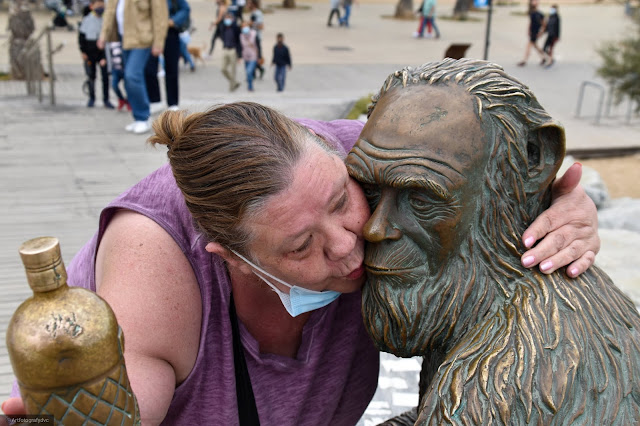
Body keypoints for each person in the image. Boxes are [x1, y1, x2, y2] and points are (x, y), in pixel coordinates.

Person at [2, 100, 599, 423]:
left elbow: (495, 164)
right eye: (299, 247)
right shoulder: (153, 269)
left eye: (343, 202)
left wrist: (566, 204)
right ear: (231, 257)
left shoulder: (357, 156)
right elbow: (127, 406)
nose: (346, 246)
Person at [97, 0, 169, 134]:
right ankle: (137, 117)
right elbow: (110, 12)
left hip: (142, 39)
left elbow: (160, 15)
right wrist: (103, 35)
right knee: (129, 78)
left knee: (132, 75)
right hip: (123, 38)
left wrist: (159, 42)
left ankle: (143, 117)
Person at [144, 0, 191, 112]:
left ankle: (173, 103)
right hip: (151, 33)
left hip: (170, 31)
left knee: (172, 68)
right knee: (149, 68)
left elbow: (185, 9)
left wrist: (173, 21)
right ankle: (155, 100)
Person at [78, 0, 113, 108]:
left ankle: (106, 99)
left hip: (102, 54)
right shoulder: (87, 20)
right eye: (97, 5)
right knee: (91, 76)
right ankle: (92, 98)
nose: (100, 7)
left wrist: (104, 57)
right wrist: (83, 51)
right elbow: (81, 37)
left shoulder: (106, 19)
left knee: (105, 77)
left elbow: (108, 38)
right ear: (91, 6)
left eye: (102, 5)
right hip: (89, 53)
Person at [517, 0, 547, 66]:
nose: (534, 2)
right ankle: (544, 57)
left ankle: (524, 60)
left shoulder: (539, 14)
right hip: (532, 32)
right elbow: (530, 23)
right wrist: (528, 30)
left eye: (535, 1)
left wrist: (541, 33)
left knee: (529, 46)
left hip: (536, 32)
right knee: (535, 46)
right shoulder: (531, 12)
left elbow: (544, 25)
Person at [219, 12, 242, 92]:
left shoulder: (235, 28)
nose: (227, 20)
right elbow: (221, 36)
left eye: (229, 18)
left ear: (232, 19)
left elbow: (239, 41)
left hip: (233, 50)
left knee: (233, 70)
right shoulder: (223, 27)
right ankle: (234, 82)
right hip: (225, 49)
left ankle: (231, 88)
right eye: (226, 18)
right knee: (223, 68)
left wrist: (239, 55)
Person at [107, 41, 131, 111]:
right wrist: (109, 69)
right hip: (115, 69)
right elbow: (108, 55)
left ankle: (129, 101)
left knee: (128, 86)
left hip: (125, 68)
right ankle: (121, 99)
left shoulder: (125, 40)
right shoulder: (110, 42)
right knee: (114, 85)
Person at [239, 22, 258, 91]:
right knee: (247, 73)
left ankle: (250, 87)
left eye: (245, 26)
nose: (244, 28)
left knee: (249, 71)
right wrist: (239, 56)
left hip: (253, 55)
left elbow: (258, 45)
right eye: (242, 26)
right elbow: (240, 47)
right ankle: (250, 85)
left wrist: (260, 56)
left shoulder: (254, 33)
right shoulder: (241, 35)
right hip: (245, 56)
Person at [248, 0, 264, 79]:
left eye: (249, 3)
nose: (247, 5)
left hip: (256, 37)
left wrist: (251, 24)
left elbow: (261, 26)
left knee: (257, 56)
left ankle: (260, 69)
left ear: (253, 4)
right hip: (251, 38)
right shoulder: (252, 13)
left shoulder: (258, 13)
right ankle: (254, 72)